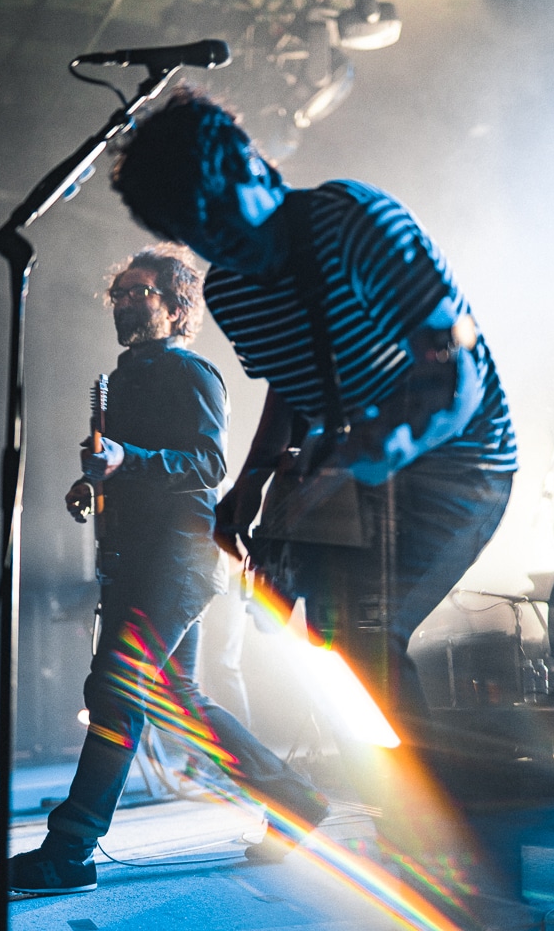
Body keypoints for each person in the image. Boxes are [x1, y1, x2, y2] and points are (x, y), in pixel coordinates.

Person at [109, 85, 518, 735]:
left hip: (460, 459)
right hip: (360, 471)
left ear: (249, 163)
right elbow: (293, 385)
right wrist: (250, 484)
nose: (217, 242)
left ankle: (464, 793)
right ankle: (381, 785)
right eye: (192, 231)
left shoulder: (353, 222)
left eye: (216, 215)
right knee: (327, 641)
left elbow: (452, 371)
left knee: (368, 633)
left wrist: (366, 457)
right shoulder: (231, 290)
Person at [9, 244, 328, 896]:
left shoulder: (192, 372)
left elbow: (209, 465)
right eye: (119, 293)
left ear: (178, 306)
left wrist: (128, 460)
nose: (124, 303)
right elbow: (130, 465)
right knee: (179, 700)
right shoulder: (121, 377)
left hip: (179, 557)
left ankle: (71, 849)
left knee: (115, 687)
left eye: (139, 292)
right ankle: (294, 798)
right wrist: (92, 484)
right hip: (140, 559)